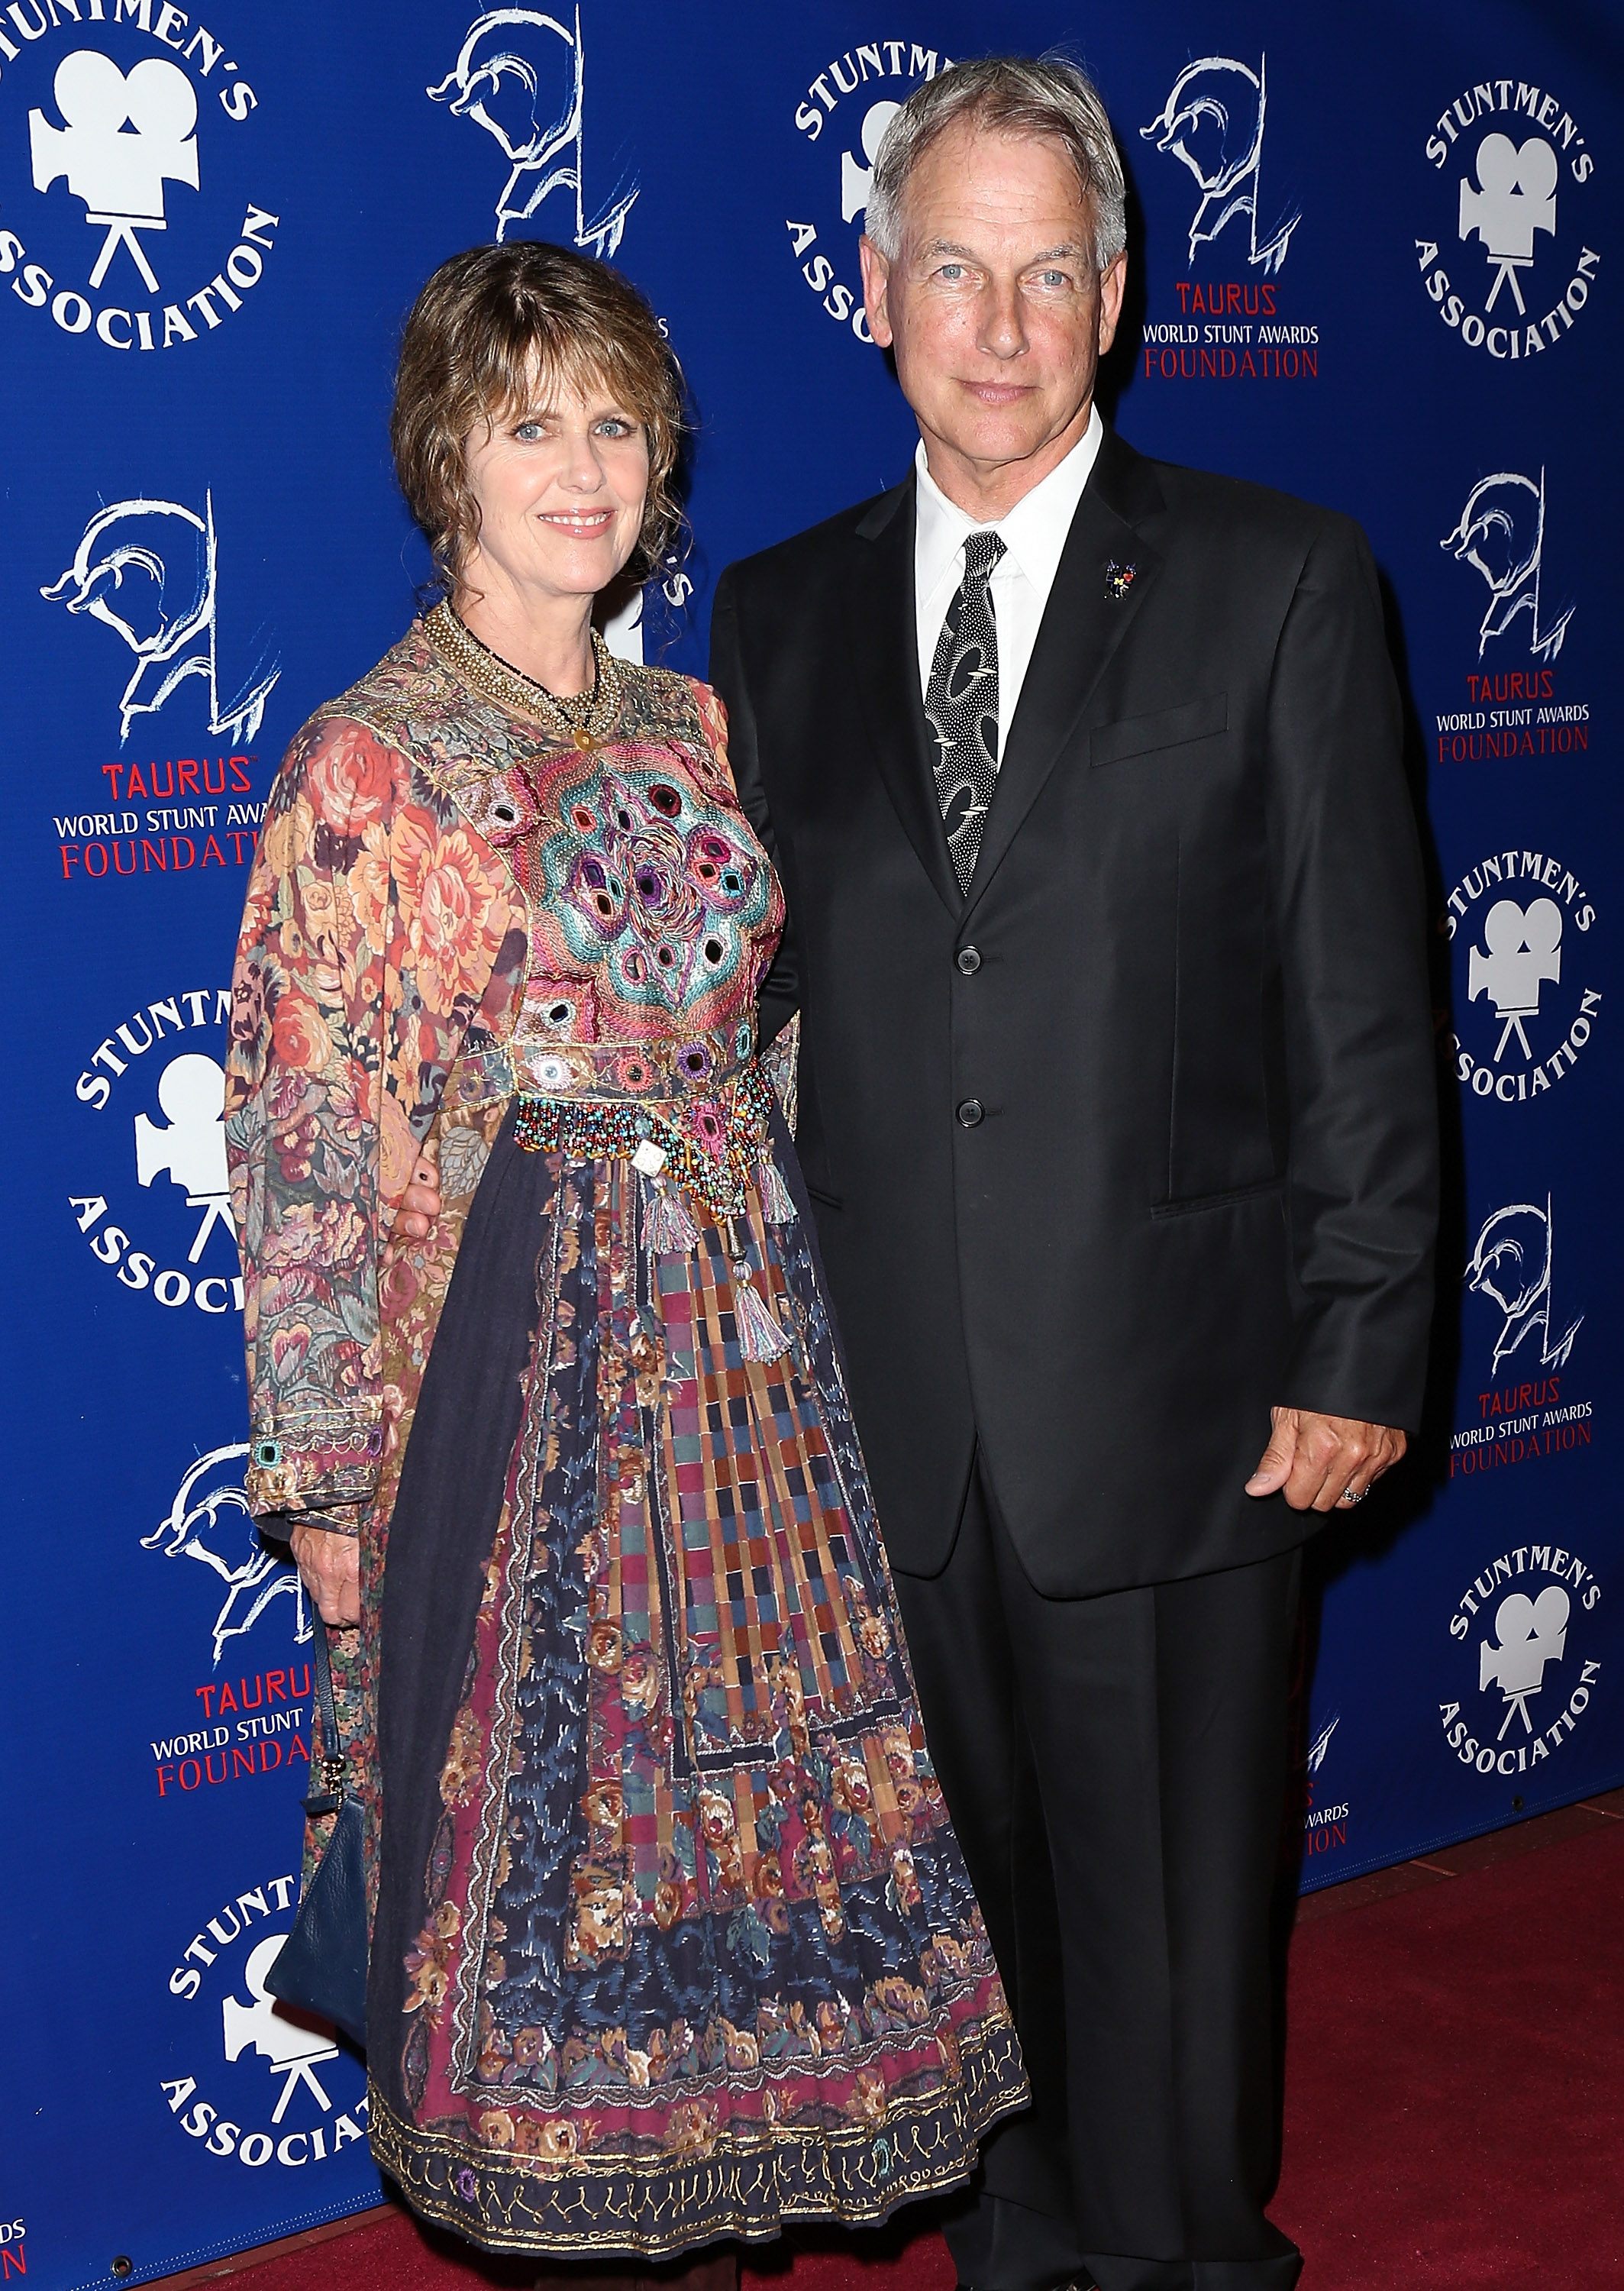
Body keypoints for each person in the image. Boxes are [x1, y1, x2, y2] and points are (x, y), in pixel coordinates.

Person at [707, 57, 1439, 2291]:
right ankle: (1025, 2258)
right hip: (894, 1411)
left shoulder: (1279, 583)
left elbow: (1366, 1008)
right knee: (977, 1923)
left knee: (1177, 1935)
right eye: (956, 267)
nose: (1001, 323)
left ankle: (1198, 2261)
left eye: (1050, 273)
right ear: (873, 289)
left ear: (1119, 298)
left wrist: (1361, 1335)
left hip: (1188, 1400)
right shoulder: (774, 614)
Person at [224, 240, 1027, 2275]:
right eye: (528, 425)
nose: (579, 468)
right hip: (498, 1411)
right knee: (541, 1880)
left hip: (745, 1405)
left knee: (744, 1854)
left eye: (610, 420)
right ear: (446, 461)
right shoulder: (365, 763)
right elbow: (302, 1137)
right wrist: (321, 1476)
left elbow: (772, 1039)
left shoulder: (703, 721)